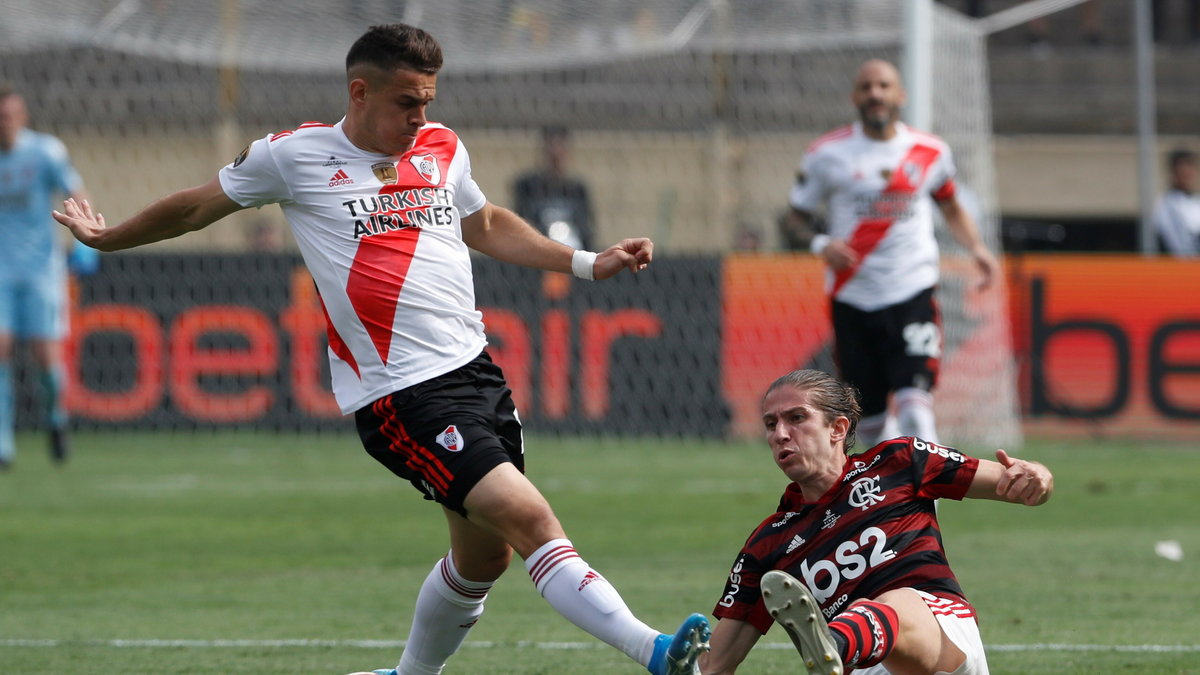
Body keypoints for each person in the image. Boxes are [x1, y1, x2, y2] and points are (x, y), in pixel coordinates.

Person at [53, 23, 710, 675]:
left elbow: (482, 223)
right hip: (403, 395)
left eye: (428, 101)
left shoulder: (443, 147)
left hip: (477, 375)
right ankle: (654, 651)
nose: (421, 116)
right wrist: (108, 241)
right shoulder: (294, 155)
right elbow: (194, 209)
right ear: (360, 92)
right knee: (530, 516)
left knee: (485, 558)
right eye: (408, 103)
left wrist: (589, 262)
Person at [699, 369, 1054, 675]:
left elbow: (1017, 485)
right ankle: (835, 645)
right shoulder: (770, 542)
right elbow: (714, 666)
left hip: (938, 636)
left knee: (890, 602)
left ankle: (835, 642)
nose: (780, 434)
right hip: (865, 667)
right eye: (770, 424)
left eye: (796, 418)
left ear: (837, 428)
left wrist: (1036, 477)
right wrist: (641, 636)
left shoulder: (899, 461)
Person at [779, 58, 1000, 449]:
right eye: (866, 87)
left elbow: (950, 206)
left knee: (916, 403)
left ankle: (928, 505)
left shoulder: (929, 151)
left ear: (900, 95)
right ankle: (896, 496)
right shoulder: (827, 153)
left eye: (883, 86)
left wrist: (978, 249)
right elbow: (793, 219)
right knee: (871, 424)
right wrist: (821, 244)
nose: (875, 94)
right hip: (853, 295)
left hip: (911, 290)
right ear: (854, 97)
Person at [0, 84, 95, 470]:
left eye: (9, 116)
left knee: (44, 357)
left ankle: (56, 420)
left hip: (41, 269)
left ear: (22, 118)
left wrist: (87, 239)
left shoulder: (45, 152)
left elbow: (73, 190)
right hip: (1, 271)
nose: (4, 124)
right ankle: (3, 444)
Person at [512, 124, 595, 251]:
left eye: (560, 146)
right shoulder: (527, 186)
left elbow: (586, 229)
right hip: (538, 253)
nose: (555, 152)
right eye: (551, 146)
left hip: (573, 254)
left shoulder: (577, 189)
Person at [1152, 148, 1200, 257]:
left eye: (1190, 168)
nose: (1187, 174)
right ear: (1173, 172)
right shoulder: (1166, 203)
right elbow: (1176, 244)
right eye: (1182, 171)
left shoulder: (1197, 201)